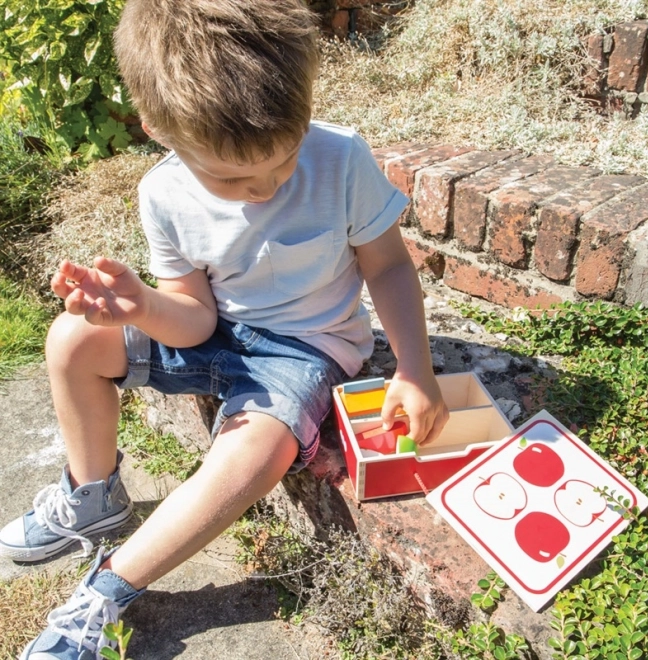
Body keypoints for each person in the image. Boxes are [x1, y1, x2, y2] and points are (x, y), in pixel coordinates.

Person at [1, 0, 449, 657]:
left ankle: (107, 590)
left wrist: (415, 369)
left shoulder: (340, 157)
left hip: (306, 349)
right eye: (235, 177)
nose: (265, 188)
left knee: (255, 453)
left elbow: (386, 266)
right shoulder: (164, 194)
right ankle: (92, 494)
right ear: (157, 129)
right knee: (71, 338)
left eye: (284, 161)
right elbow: (194, 319)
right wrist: (140, 307)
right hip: (219, 331)